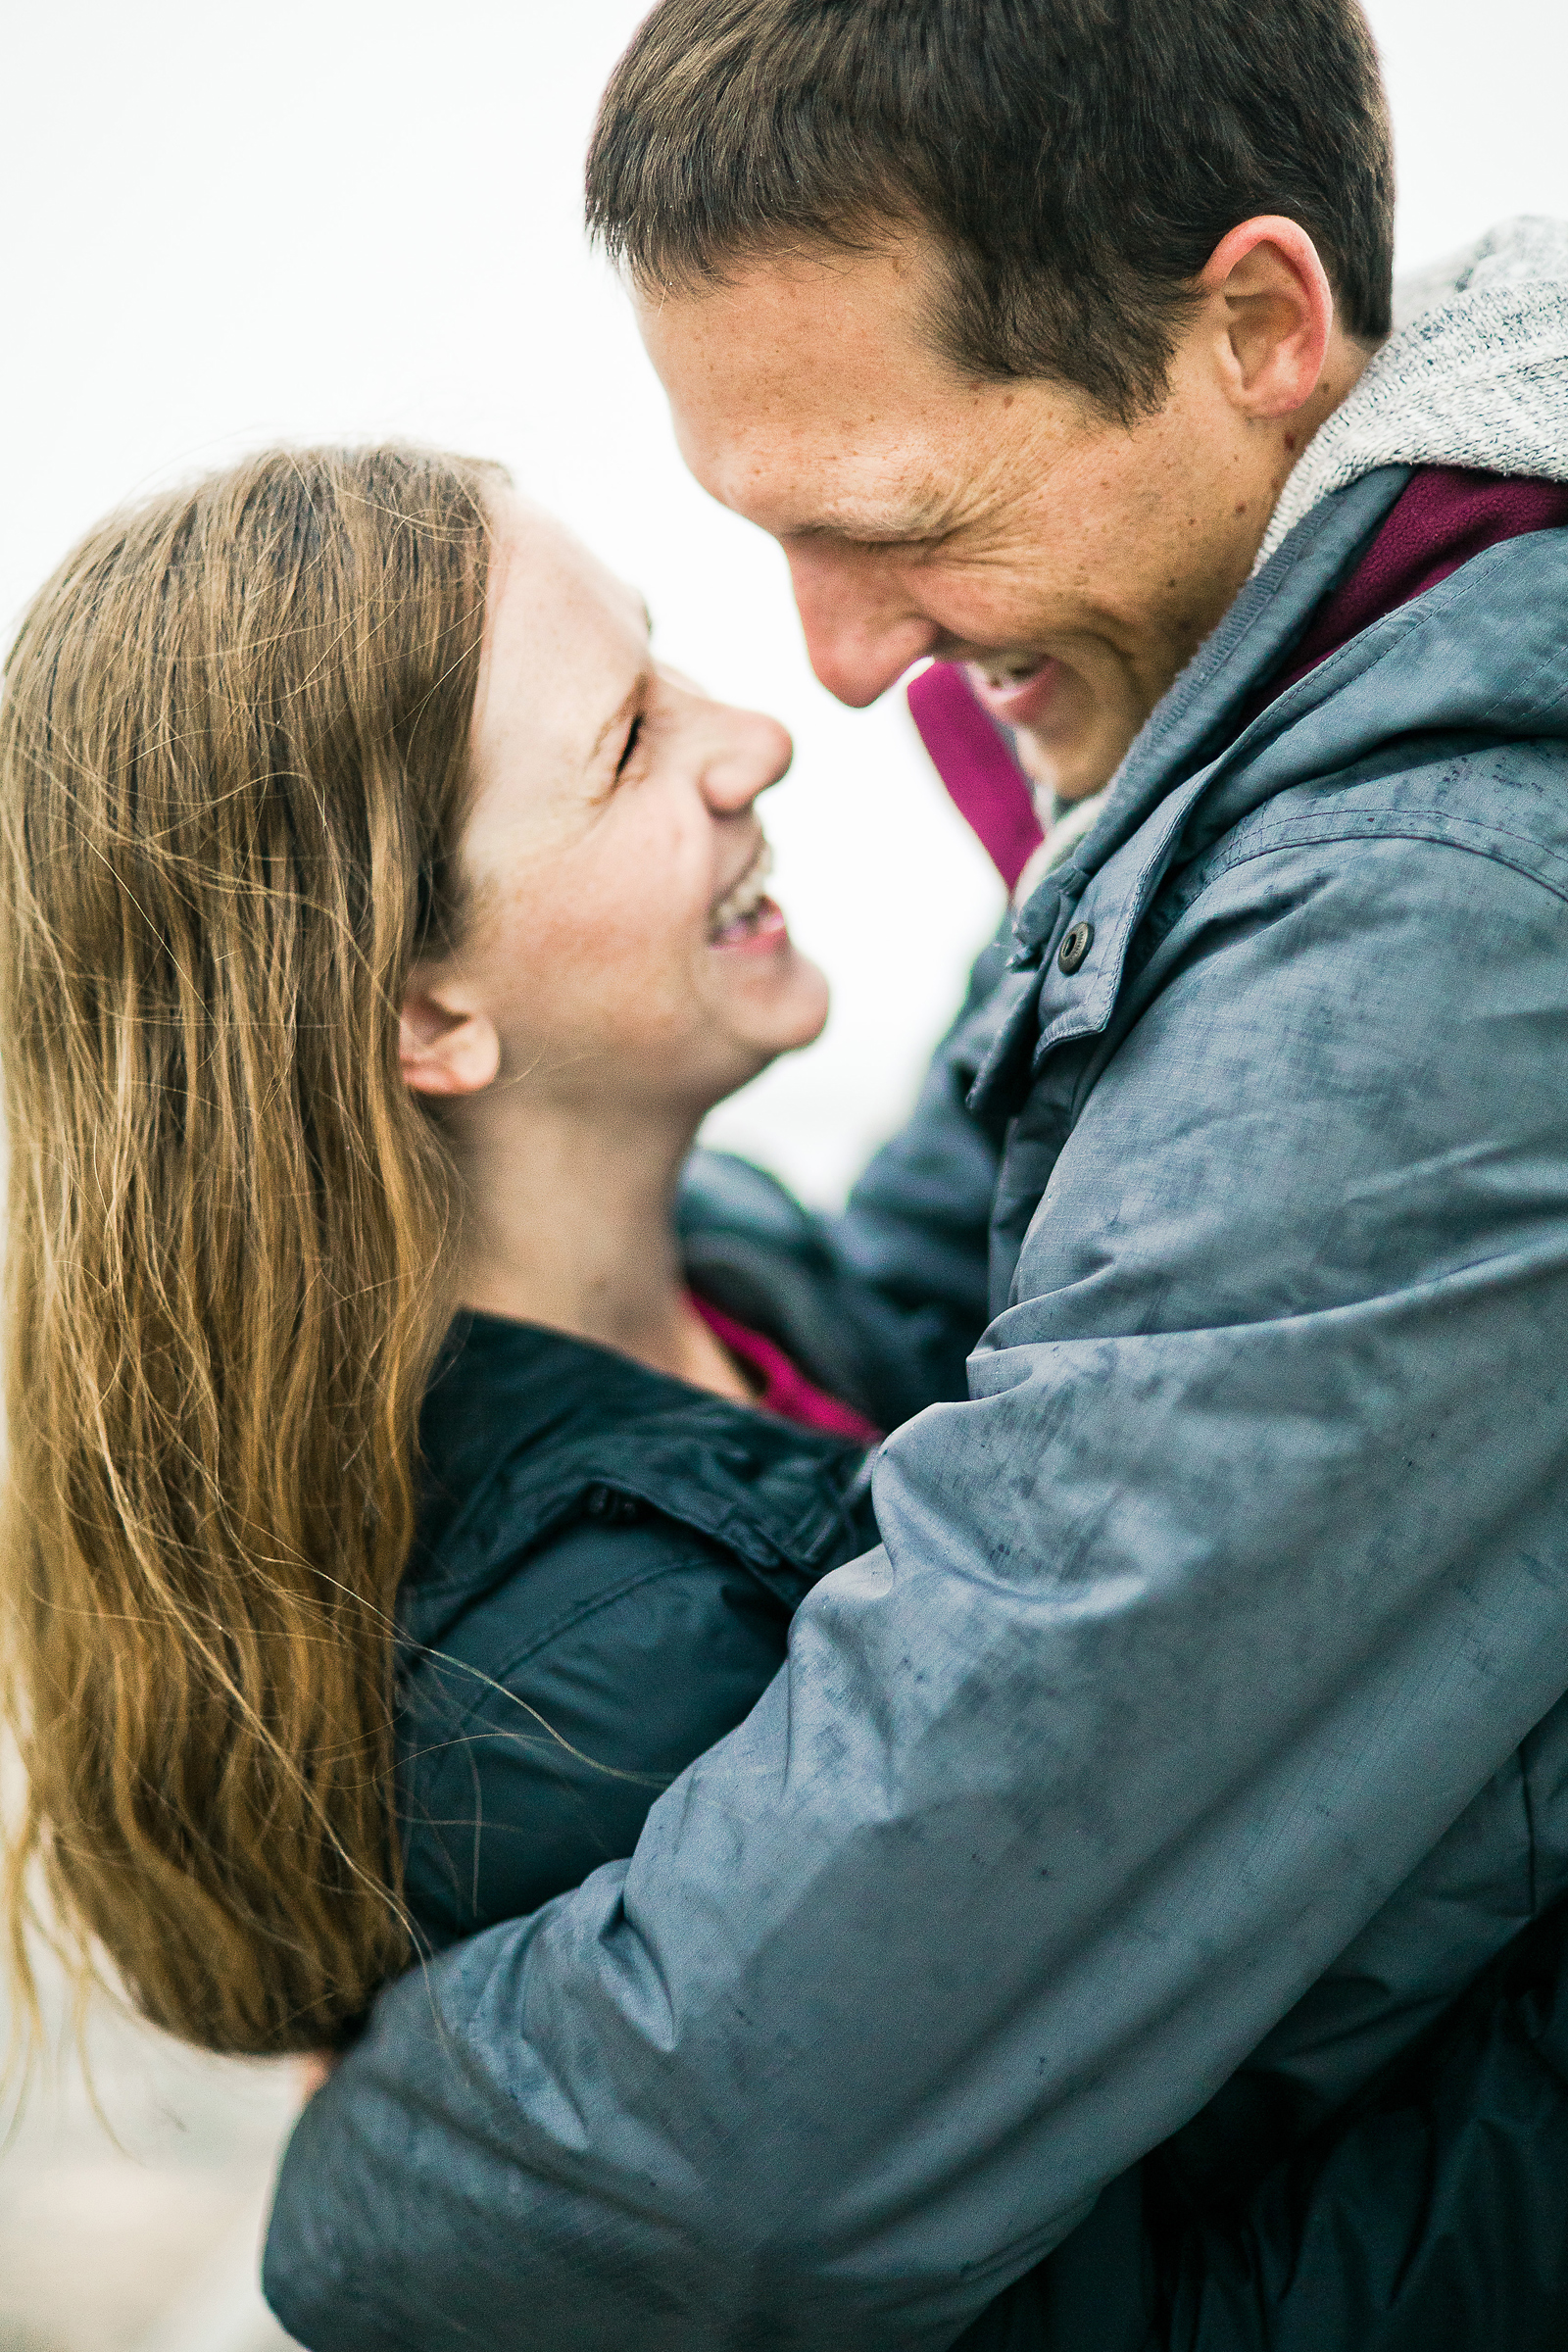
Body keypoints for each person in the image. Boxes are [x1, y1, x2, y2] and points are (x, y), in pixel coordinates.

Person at [260, 1, 1568, 2346]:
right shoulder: (1261, 734)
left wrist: (361, 2163)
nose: (831, 679)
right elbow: (996, 1305)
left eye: (893, 530)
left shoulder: (1420, 902)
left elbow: (751, 2136)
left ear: (1254, 327)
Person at [0, 442, 993, 2057]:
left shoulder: (707, 1253)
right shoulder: (596, 1698)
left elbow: (923, 1271)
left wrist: (1103, 813)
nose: (758, 739)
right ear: (425, 1014)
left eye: (669, 664)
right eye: (628, 744)